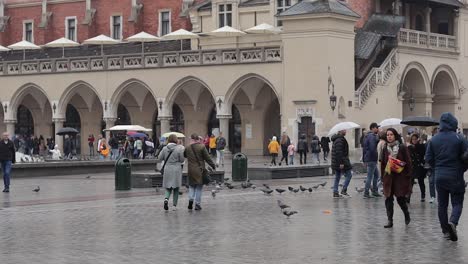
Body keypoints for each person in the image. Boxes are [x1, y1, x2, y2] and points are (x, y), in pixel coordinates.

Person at [425, 112, 467, 241]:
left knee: (442, 205)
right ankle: (453, 222)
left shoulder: (433, 139)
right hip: (455, 175)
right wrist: (462, 169)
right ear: (453, 123)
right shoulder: (460, 138)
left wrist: (436, 168)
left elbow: (428, 159)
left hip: (440, 176)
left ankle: (445, 231)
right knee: (457, 202)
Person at [380, 128, 412, 228]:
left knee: (400, 199)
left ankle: (406, 213)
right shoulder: (385, 147)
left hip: (400, 177)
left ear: (395, 136)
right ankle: (390, 220)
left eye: (391, 135)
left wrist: (408, 175)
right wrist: (382, 176)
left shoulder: (402, 147)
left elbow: (408, 162)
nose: (389, 136)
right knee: (388, 199)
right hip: (388, 177)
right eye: (387, 135)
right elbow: (383, 163)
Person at [184, 133, 216, 211]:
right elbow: (207, 158)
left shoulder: (187, 147)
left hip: (191, 170)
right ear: (198, 139)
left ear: (192, 139)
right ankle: (197, 204)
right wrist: (213, 165)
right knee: (198, 187)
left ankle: (190, 204)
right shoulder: (202, 147)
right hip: (199, 169)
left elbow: (184, 155)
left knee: (191, 186)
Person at [157, 134, 185, 211]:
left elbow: (159, 158)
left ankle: (166, 199)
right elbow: (182, 160)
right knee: (176, 188)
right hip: (176, 169)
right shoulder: (180, 148)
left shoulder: (165, 148)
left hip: (167, 169)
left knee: (168, 187)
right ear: (176, 140)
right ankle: (174, 206)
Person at [362, 122, 382, 198]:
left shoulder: (368, 136)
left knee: (376, 175)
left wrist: (364, 159)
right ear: (373, 128)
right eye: (377, 128)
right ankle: (366, 193)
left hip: (369, 158)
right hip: (372, 159)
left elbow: (364, 149)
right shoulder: (372, 136)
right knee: (369, 176)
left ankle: (374, 191)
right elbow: (372, 148)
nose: (378, 129)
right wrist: (376, 156)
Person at [331, 130, 353, 198]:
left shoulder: (338, 139)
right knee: (349, 175)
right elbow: (339, 152)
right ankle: (343, 190)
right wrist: (341, 163)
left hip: (338, 161)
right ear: (340, 131)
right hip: (342, 161)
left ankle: (335, 192)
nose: (345, 131)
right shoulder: (339, 140)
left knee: (337, 177)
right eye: (344, 130)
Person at [408, 134, 427, 203]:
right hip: (412, 166)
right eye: (413, 139)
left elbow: (423, 155)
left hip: (420, 166)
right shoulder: (409, 147)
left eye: (415, 139)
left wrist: (419, 146)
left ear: (417, 139)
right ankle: (408, 197)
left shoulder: (422, 146)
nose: (414, 140)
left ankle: (423, 195)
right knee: (411, 182)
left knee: (421, 182)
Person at [426, 127, 439, 203]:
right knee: (431, 181)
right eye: (436, 132)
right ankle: (432, 196)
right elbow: (427, 153)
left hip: (439, 164)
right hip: (432, 165)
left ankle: (440, 196)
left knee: (439, 181)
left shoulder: (442, 141)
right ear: (433, 133)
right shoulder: (430, 142)